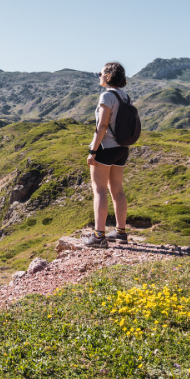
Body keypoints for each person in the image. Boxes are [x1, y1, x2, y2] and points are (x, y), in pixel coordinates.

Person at [83, 62, 130, 248]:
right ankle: (120, 232)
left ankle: (99, 236)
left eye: (100, 73)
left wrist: (92, 150)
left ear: (108, 75)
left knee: (99, 190)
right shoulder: (125, 97)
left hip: (106, 148)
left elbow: (102, 125)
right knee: (117, 190)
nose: (99, 76)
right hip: (122, 149)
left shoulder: (107, 96)